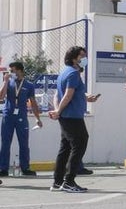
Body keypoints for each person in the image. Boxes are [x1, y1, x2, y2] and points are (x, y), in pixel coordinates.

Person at [47, 45, 100, 193]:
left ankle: (57, 182)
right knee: (80, 143)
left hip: (66, 116)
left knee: (65, 148)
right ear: (73, 58)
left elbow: (58, 94)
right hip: (73, 117)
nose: (85, 59)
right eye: (82, 56)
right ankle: (69, 181)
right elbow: (67, 95)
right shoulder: (73, 74)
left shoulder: (64, 72)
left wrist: (58, 111)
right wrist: (58, 110)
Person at [0, 61, 43, 177]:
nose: (10, 73)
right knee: (5, 143)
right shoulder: (9, 82)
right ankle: (3, 168)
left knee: (24, 143)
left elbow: (33, 103)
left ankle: (25, 168)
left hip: (21, 117)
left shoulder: (29, 85)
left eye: (12, 70)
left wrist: (37, 118)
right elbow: (1, 97)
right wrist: (5, 82)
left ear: (19, 70)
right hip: (8, 116)